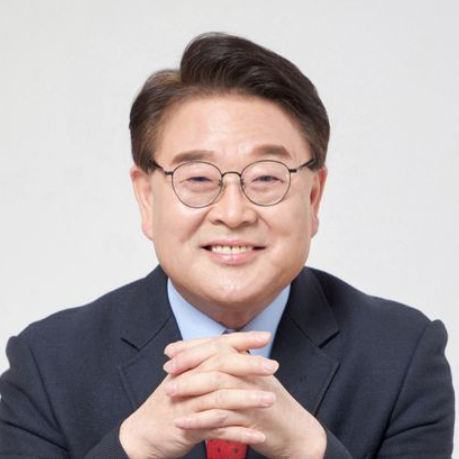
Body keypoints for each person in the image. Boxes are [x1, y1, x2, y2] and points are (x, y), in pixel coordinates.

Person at [0, 32, 454, 459]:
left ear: (314, 197)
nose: (233, 213)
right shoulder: (47, 366)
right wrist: (137, 445)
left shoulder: (403, 357)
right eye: (198, 178)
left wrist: (307, 448)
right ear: (146, 198)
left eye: (267, 177)